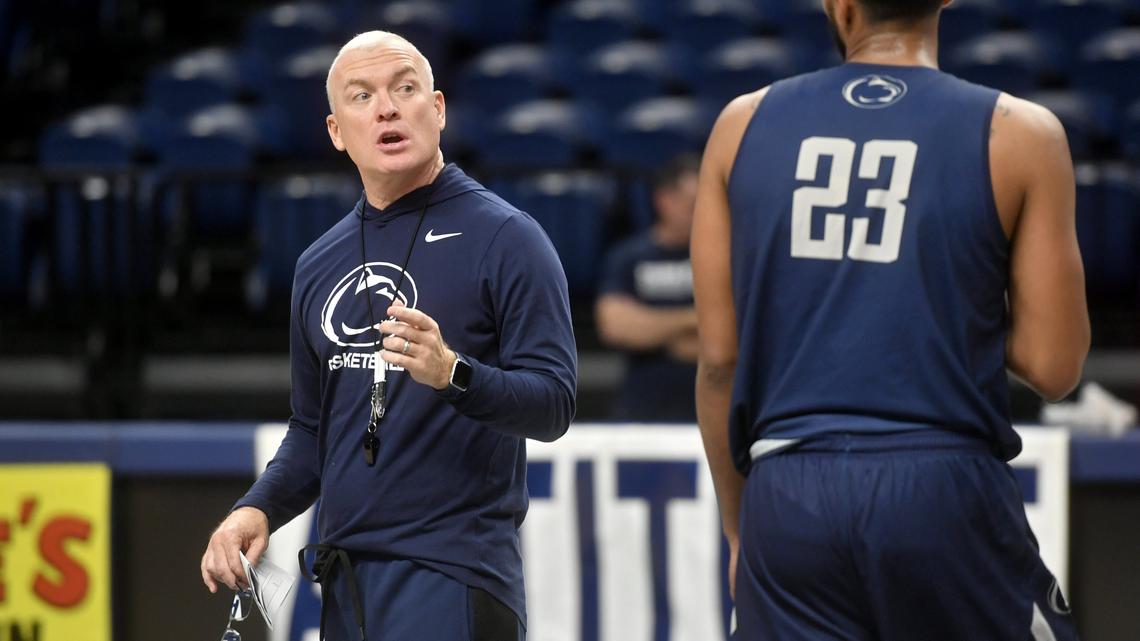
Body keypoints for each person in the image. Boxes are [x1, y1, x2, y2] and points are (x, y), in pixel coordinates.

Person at [691, 1, 1089, 639]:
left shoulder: (742, 124)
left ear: (835, 3)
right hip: (944, 490)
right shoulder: (1022, 132)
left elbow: (719, 361)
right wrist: (940, 304)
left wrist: (740, 531)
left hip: (787, 494)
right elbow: (1054, 366)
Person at [200, 31, 577, 641]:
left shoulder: (508, 238)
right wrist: (257, 507)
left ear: (439, 109)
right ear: (335, 131)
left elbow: (554, 405)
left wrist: (454, 373)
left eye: (406, 89)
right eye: (362, 96)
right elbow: (313, 428)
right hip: (345, 582)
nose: (387, 108)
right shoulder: (319, 262)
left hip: (452, 575)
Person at [595, 154, 700, 422]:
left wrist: (652, 328)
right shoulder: (630, 257)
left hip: (705, 411)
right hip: (642, 410)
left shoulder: (721, 259)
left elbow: (732, 333)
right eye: (692, 205)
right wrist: (694, 319)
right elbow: (616, 326)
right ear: (664, 200)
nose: (700, 213)